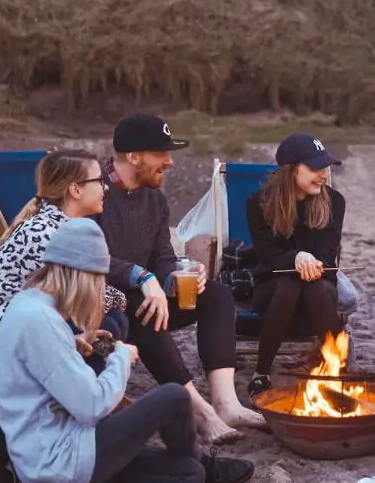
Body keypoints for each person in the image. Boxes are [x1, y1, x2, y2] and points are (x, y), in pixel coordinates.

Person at [0, 219, 254, 483]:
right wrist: (120, 358)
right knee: (174, 397)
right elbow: (91, 406)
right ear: (81, 274)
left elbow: (40, 368)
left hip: (53, 460)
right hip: (60, 459)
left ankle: (197, 465)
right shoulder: (40, 321)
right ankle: (205, 461)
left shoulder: (29, 304)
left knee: (189, 476)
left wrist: (74, 343)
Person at [94, 113, 266, 444]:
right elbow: (88, 257)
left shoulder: (155, 200)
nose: (170, 162)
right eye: (161, 154)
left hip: (149, 294)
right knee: (144, 310)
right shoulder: (94, 191)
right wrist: (144, 279)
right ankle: (199, 412)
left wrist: (176, 275)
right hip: (105, 305)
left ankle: (226, 403)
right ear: (133, 156)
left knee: (216, 295)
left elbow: (162, 257)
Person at [0, 149, 129, 380]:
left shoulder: (50, 224)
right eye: (99, 181)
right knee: (108, 321)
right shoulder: (48, 234)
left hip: (18, 337)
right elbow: (86, 300)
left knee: (111, 323)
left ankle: (89, 385)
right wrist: (126, 293)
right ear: (75, 189)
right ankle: (85, 392)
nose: (106, 187)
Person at [245, 134, 346, 396]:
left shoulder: (334, 202)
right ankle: (263, 373)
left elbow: (327, 257)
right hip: (273, 294)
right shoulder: (259, 204)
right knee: (290, 284)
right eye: (314, 168)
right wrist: (296, 258)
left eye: (324, 167)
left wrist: (309, 262)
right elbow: (267, 258)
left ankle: (331, 371)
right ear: (291, 170)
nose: (322, 174)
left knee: (311, 285)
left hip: (319, 294)